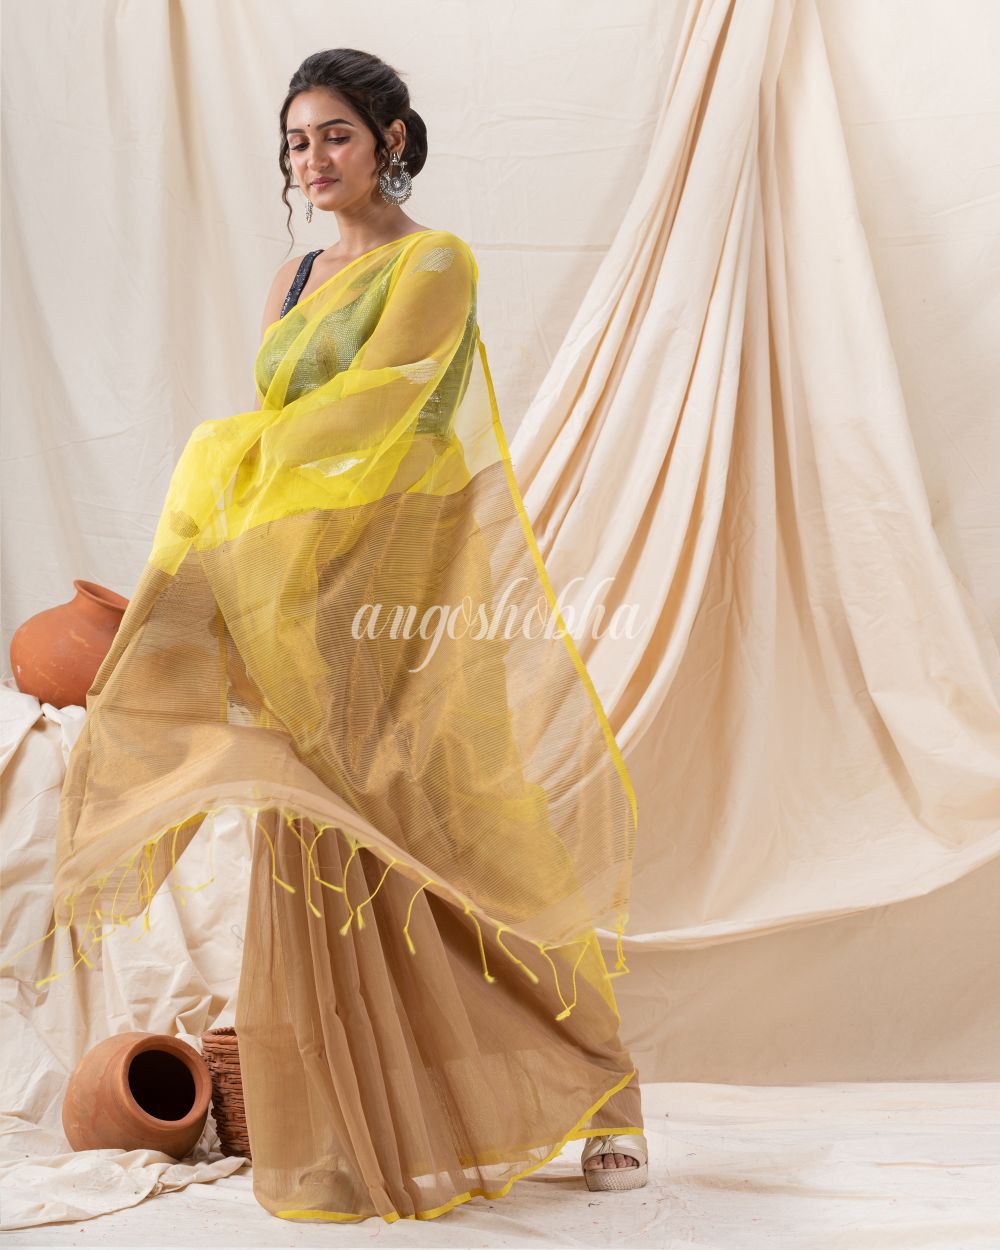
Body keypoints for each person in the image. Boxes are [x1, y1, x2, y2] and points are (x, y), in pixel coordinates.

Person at [11, 47, 648, 1222]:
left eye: (335, 136)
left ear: (391, 139)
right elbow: (280, 422)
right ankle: (368, 1110)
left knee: (455, 830)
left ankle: (607, 1087)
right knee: (316, 836)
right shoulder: (296, 275)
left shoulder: (434, 261)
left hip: (401, 577)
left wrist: (217, 457)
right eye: (297, 142)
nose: (311, 160)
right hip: (298, 588)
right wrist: (227, 555)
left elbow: (377, 407)